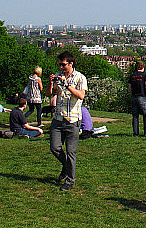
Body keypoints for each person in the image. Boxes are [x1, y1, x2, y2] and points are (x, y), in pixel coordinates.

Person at [48, 51, 87, 191]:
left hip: (72, 119)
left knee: (71, 151)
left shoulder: (80, 77)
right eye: (60, 64)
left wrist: (67, 85)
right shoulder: (58, 75)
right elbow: (49, 94)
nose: (61, 67)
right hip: (58, 118)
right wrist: (51, 83)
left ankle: (70, 180)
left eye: (63, 64)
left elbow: (81, 96)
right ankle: (66, 167)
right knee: (55, 147)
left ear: (71, 64)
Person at [128, 61, 146, 137]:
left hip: (134, 96)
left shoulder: (132, 76)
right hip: (142, 96)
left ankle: (135, 133)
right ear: (143, 67)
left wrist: (132, 94)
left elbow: (129, 88)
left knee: (135, 116)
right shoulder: (145, 75)